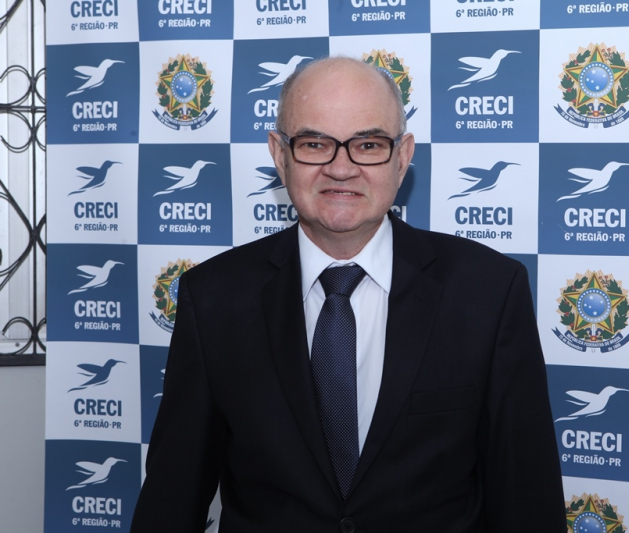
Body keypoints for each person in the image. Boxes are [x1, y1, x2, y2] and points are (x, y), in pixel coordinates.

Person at [131, 56, 565, 532]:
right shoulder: (213, 297)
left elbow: (528, 500)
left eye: (368, 144)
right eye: (315, 144)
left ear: (403, 157)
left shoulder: (488, 291)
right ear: (279, 155)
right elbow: (171, 500)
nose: (341, 168)